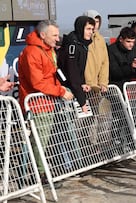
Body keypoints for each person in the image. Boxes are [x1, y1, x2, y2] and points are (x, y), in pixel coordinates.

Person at [18, 20, 73, 184]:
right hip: (37, 103)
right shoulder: (32, 52)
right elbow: (37, 82)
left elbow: (52, 75)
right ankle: (39, 174)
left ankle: (36, 172)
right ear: (43, 35)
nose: (58, 38)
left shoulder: (48, 51)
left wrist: (61, 89)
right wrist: (61, 91)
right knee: (39, 140)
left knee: (41, 140)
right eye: (54, 35)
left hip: (47, 101)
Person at [57, 16, 95, 113]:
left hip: (72, 90)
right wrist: (82, 101)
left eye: (92, 29)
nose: (91, 32)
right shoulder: (72, 45)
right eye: (88, 29)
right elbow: (72, 72)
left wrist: (82, 83)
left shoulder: (82, 45)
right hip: (64, 89)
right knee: (66, 125)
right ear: (80, 28)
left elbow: (78, 70)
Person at [83, 10, 109, 92]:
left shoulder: (100, 39)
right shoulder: (80, 39)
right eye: (92, 21)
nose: (95, 24)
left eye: (97, 22)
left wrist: (103, 82)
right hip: (84, 86)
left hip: (98, 87)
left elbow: (105, 62)